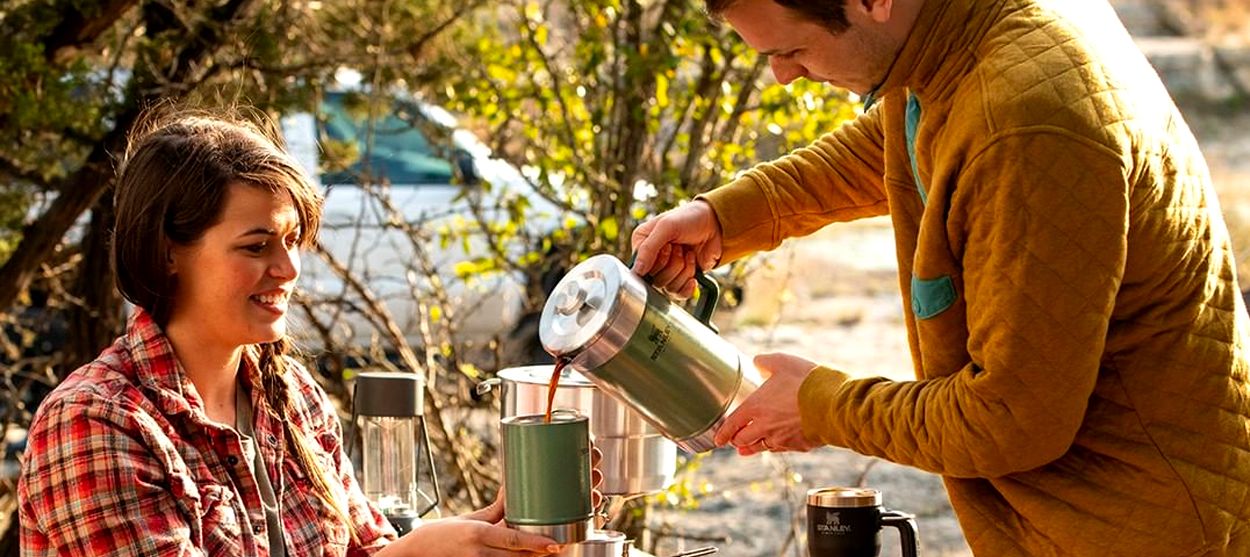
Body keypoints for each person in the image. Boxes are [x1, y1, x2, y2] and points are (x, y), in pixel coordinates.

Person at [631, 0, 1250, 555]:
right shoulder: (950, 37)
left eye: (791, 50)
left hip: (1137, 523)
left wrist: (821, 407)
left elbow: (1010, 419)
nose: (784, 75)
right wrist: (726, 215)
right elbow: (900, 140)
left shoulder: (1025, 117)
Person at [16, 110, 578, 557]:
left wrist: (486, 535)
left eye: (292, 241)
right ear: (168, 254)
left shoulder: (291, 397)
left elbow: (366, 548)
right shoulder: (94, 422)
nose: (288, 270)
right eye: (256, 246)